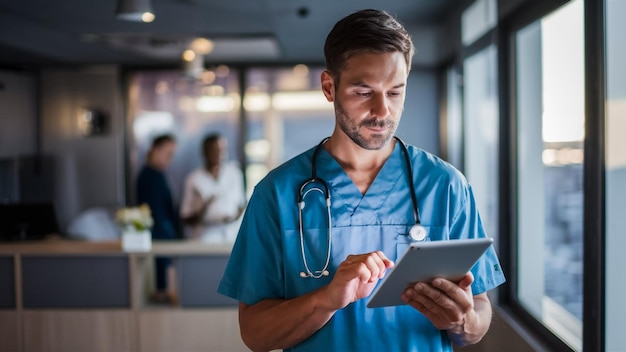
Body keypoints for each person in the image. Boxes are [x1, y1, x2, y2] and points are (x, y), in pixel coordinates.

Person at [218, 9, 506, 352]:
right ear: (329, 87)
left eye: (395, 92)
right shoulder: (277, 194)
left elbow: (480, 310)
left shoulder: (446, 186)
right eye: (363, 91)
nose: (382, 110)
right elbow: (255, 333)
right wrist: (326, 299)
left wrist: (462, 321)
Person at [180, 133, 246, 243]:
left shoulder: (234, 174)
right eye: (215, 150)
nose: (219, 154)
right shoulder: (194, 179)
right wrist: (204, 207)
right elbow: (185, 217)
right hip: (203, 238)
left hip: (231, 236)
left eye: (223, 150)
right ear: (205, 152)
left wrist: (235, 216)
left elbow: (242, 203)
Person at [136, 134, 179, 302]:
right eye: (168, 154)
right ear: (156, 150)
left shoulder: (159, 175)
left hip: (165, 237)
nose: (170, 159)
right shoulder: (147, 176)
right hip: (159, 240)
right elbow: (155, 214)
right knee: (161, 288)